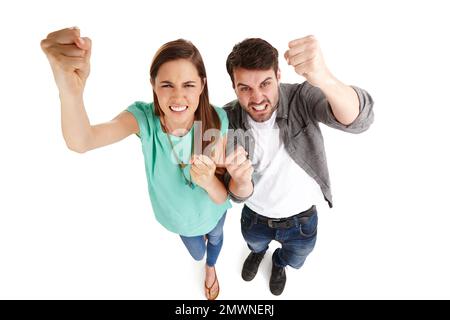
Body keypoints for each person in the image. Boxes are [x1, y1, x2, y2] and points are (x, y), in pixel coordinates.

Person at [40, 27, 253, 300]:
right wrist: (69, 91)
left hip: (213, 214)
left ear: (201, 84)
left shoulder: (215, 119)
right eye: (167, 85)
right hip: (179, 221)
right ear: (153, 84)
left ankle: (212, 268)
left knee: (216, 240)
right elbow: (82, 140)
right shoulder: (143, 120)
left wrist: (209, 180)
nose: (178, 97)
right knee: (197, 251)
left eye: (188, 85)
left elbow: (222, 195)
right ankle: (205, 260)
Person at [223, 36, 374, 295]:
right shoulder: (227, 119)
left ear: (278, 74)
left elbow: (359, 120)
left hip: (302, 221)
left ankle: (279, 263)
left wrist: (323, 77)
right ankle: (259, 254)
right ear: (234, 87)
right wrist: (238, 182)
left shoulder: (300, 97)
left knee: (295, 259)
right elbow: (235, 196)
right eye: (245, 88)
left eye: (265, 83)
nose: (257, 97)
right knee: (255, 244)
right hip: (254, 217)